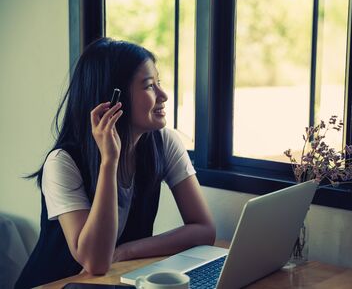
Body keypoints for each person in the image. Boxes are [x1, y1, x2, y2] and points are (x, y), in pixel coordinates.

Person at [15, 38, 216, 288]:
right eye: (149, 86)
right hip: (58, 284)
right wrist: (109, 161)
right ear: (112, 99)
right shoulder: (62, 163)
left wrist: (125, 251)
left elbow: (204, 230)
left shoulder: (164, 142)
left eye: (159, 83)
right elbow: (95, 262)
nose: (163, 95)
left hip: (116, 280)